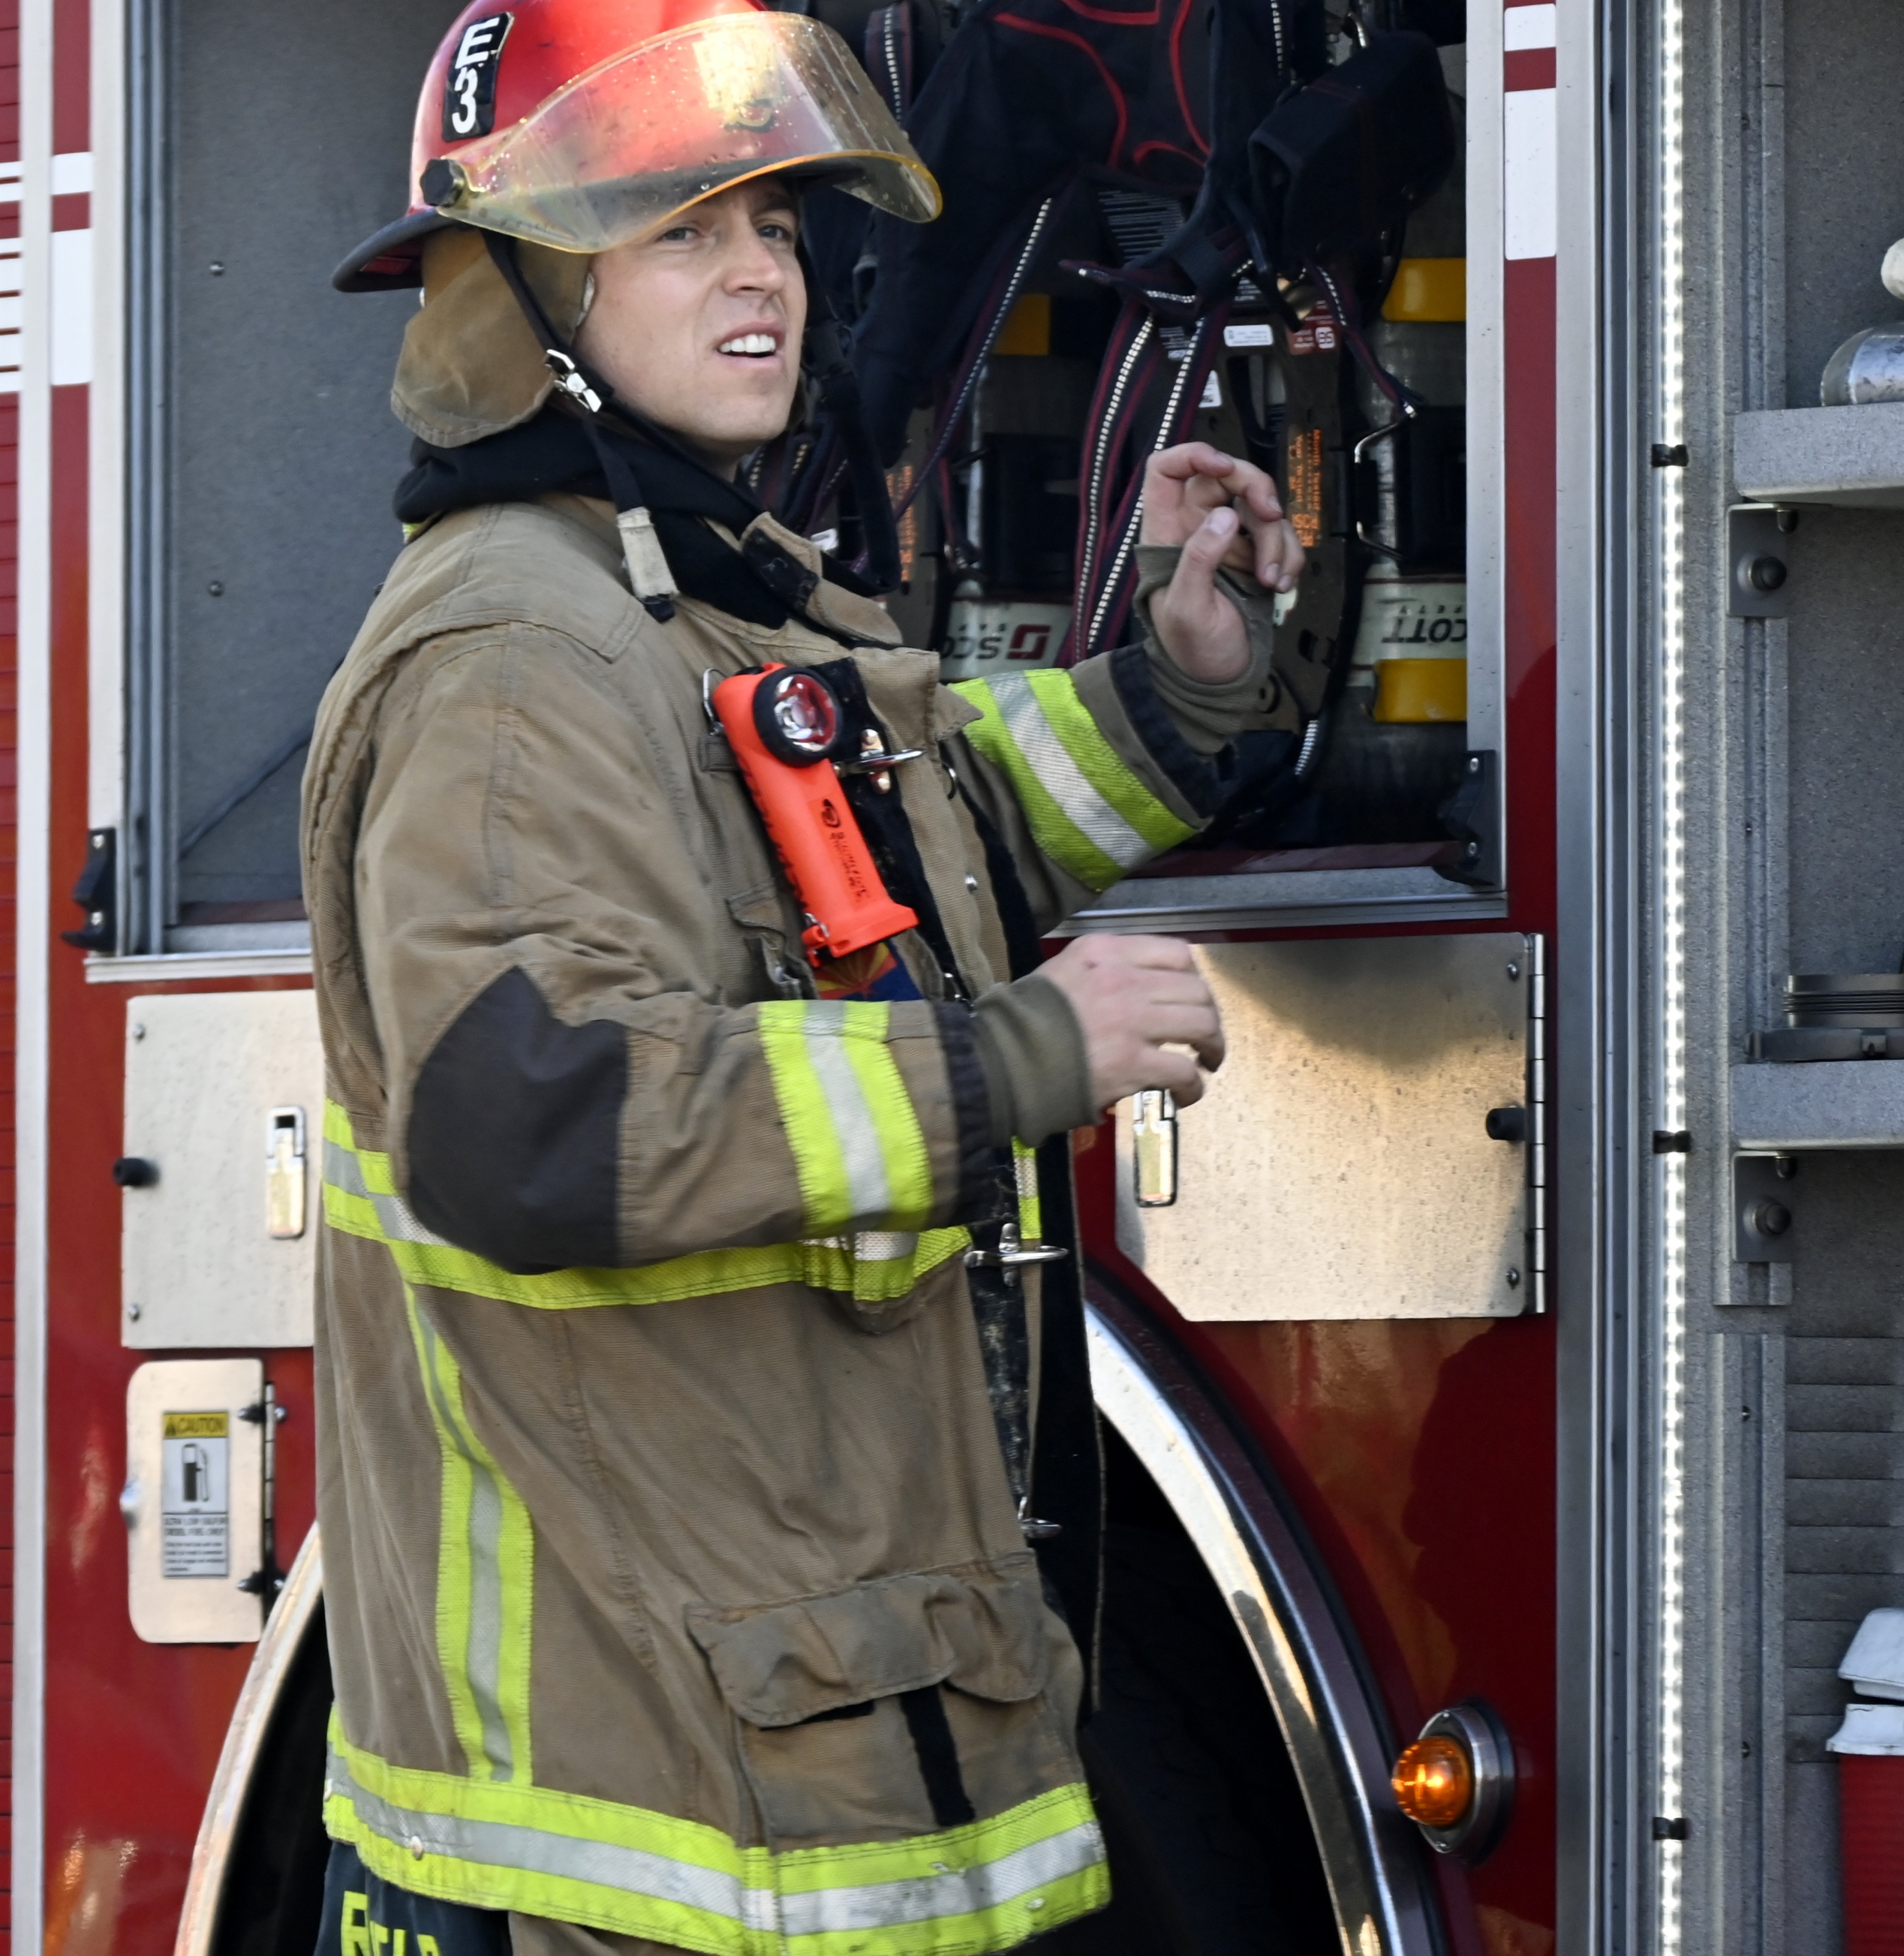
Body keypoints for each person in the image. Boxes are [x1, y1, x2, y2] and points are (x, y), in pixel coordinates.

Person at [299, 4, 1307, 1951]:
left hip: (773, 1718)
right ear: (525, 293)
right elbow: (540, 1122)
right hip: (637, 1815)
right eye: (682, 230)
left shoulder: (695, 607)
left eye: (771, 225)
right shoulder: (516, 657)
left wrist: (1180, 679)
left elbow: (928, 833)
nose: (761, 272)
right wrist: (1018, 1058)